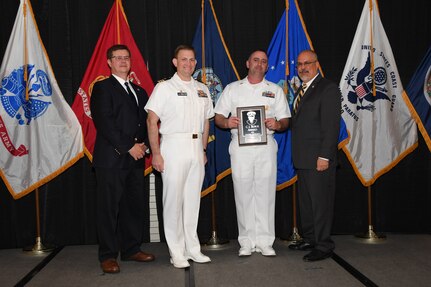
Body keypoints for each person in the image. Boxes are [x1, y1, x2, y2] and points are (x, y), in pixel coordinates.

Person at [214, 50, 290, 257]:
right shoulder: (233, 89)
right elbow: (218, 116)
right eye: (255, 60)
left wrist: (278, 123)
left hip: (266, 146)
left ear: (267, 67)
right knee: (243, 192)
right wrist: (226, 122)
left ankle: (265, 241)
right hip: (240, 147)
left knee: (265, 193)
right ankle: (246, 241)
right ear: (248, 63)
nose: (259, 64)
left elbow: (285, 120)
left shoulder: (275, 90)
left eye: (263, 61)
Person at [145, 44, 213, 269]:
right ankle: (176, 251)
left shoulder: (202, 88)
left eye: (192, 60)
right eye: (184, 59)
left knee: (192, 201)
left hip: (195, 147)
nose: (188, 63)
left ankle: (192, 249)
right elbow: (151, 121)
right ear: (175, 62)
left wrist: (202, 150)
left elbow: (206, 122)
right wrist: (156, 153)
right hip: (173, 145)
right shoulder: (164, 88)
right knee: (173, 201)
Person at [91, 44, 155, 274]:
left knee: (133, 207)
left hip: (136, 159)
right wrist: (129, 147)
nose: (123, 61)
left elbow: (147, 123)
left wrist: (144, 146)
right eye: (117, 58)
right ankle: (108, 255)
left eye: (126, 58)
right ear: (109, 62)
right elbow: (105, 122)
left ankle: (131, 249)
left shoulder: (140, 91)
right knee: (109, 209)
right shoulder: (102, 88)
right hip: (111, 160)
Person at [288, 50, 341, 262]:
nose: (303, 67)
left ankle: (324, 245)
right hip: (303, 159)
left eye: (307, 63)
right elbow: (301, 123)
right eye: (299, 64)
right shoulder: (302, 89)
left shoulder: (327, 89)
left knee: (320, 204)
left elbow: (331, 127)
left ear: (317, 65)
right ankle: (310, 238)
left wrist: (324, 157)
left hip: (319, 159)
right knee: (307, 204)